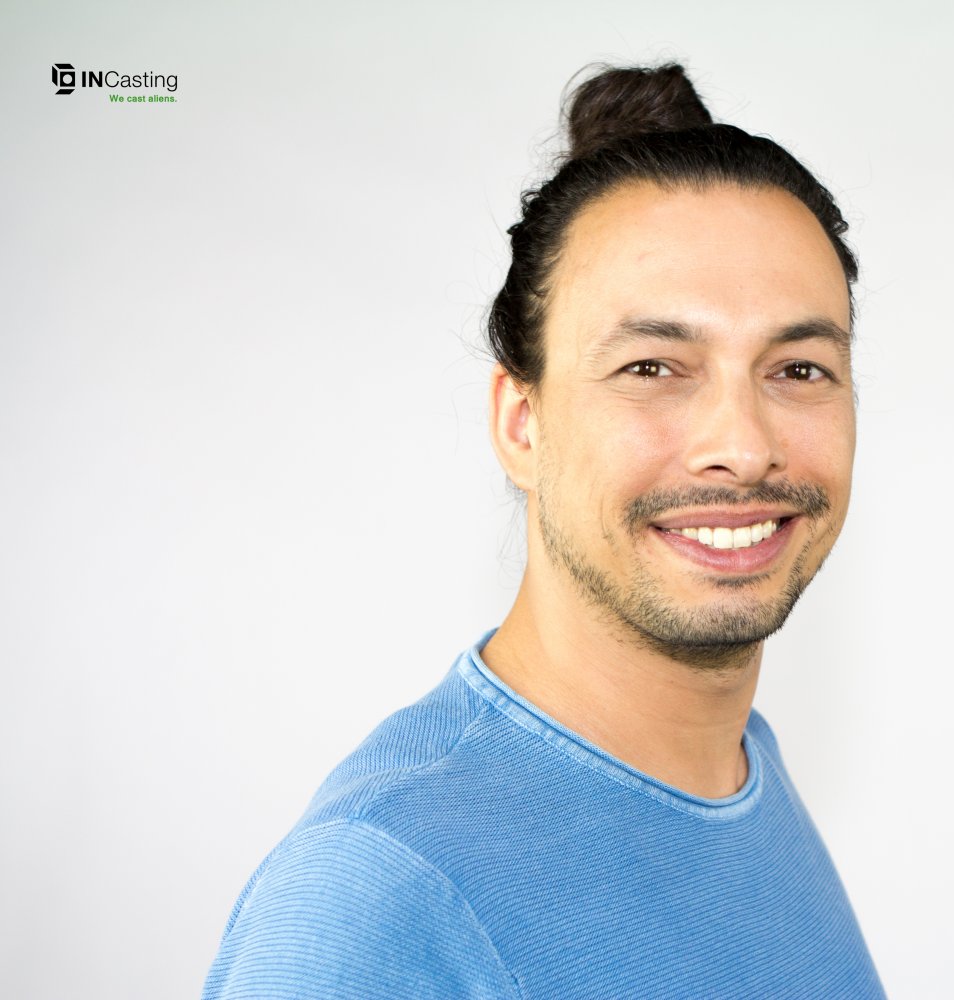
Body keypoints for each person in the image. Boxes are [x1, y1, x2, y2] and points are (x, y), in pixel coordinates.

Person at [203, 62, 885, 999]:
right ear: (522, 424)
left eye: (799, 369)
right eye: (652, 368)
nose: (742, 446)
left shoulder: (739, 770)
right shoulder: (374, 895)